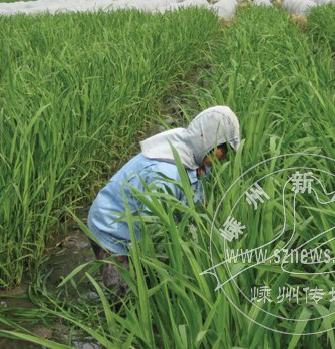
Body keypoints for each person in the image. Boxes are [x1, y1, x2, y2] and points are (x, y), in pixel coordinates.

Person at [86, 106, 240, 295]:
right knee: (127, 298)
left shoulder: (197, 156)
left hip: (136, 223)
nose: (223, 158)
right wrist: (177, 263)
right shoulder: (167, 173)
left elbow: (196, 203)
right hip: (111, 228)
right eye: (222, 150)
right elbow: (153, 229)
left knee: (150, 281)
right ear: (208, 141)